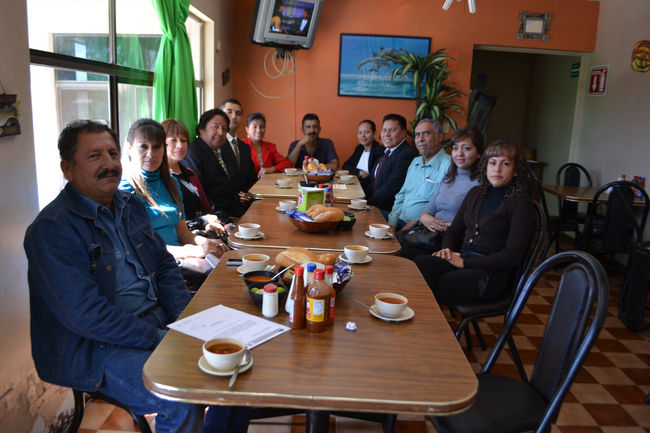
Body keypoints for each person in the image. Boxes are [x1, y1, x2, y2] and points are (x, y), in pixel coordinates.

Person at [24, 120, 249, 433]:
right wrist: (159, 338)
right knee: (179, 396)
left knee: (237, 361)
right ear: (68, 169)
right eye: (94, 156)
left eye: (112, 153)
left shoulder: (128, 204)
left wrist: (184, 319)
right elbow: (87, 316)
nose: (109, 164)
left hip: (156, 323)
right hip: (97, 348)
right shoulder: (53, 229)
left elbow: (164, 265)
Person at [414, 140, 534, 308]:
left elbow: (512, 256)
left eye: (505, 164)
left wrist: (465, 263)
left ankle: (429, 322)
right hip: (464, 259)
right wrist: (447, 249)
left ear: (516, 170)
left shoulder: (521, 202)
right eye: (492, 163)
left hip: (491, 273)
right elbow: (453, 231)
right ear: (485, 166)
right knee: (419, 265)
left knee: (442, 283)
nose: (497, 169)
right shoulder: (476, 193)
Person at [120, 119, 228, 289]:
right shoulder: (126, 188)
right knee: (216, 274)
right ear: (129, 148)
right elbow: (141, 247)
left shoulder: (171, 183)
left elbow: (182, 232)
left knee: (227, 257)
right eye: (143, 146)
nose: (151, 154)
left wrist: (206, 243)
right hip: (154, 263)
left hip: (180, 255)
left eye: (157, 147)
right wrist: (192, 251)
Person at [399, 126, 484, 259]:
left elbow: (473, 227)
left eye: (466, 148)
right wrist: (427, 219)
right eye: (455, 148)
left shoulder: (480, 184)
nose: (459, 154)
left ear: (478, 153)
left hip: (450, 241)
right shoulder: (448, 177)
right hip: (429, 234)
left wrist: (449, 227)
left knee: (403, 254)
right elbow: (426, 212)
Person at [162, 118, 230, 235]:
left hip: (199, 229)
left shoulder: (190, 174)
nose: (180, 145)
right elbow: (169, 222)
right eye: (173, 140)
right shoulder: (160, 178)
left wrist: (210, 223)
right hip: (180, 236)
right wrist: (203, 221)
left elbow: (207, 209)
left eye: (183, 140)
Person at [185, 108, 256, 218]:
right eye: (215, 127)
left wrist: (240, 197)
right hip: (216, 216)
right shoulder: (193, 153)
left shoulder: (222, 150)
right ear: (201, 129)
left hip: (234, 209)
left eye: (224, 129)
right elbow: (201, 194)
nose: (221, 132)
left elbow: (230, 184)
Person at [387, 119, 452, 230]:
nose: (420, 139)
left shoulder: (449, 165)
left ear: (440, 136)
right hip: (399, 222)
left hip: (421, 229)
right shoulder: (415, 162)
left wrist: (418, 222)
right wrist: (392, 224)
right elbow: (401, 195)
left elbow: (445, 206)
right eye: (417, 135)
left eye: (426, 134)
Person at [367, 113, 417, 217]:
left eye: (392, 130)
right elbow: (372, 180)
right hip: (375, 205)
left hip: (388, 211)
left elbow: (392, 187)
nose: (387, 134)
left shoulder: (407, 154)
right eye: (384, 130)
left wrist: (367, 204)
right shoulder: (386, 151)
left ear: (404, 133)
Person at [241, 112, 293, 177]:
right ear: (247, 129)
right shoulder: (241, 145)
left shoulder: (270, 147)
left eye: (261, 127)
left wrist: (272, 169)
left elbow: (287, 163)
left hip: (266, 181)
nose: (258, 130)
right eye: (254, 127)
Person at [341, 119, 385, 191]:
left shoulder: (379, 150)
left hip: (368, 191)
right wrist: (359, 172)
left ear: (374, 133)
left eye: (367, 132)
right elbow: (345, 166)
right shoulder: (359, 148)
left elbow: (374, 177)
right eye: (360, 132)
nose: (362, 136)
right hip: (354, 187)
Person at [220, 98, 258, 179]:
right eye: (229, 112)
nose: (234, 116)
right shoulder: (216, 145)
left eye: (238, 113)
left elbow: (252, 177)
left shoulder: (245, 147)